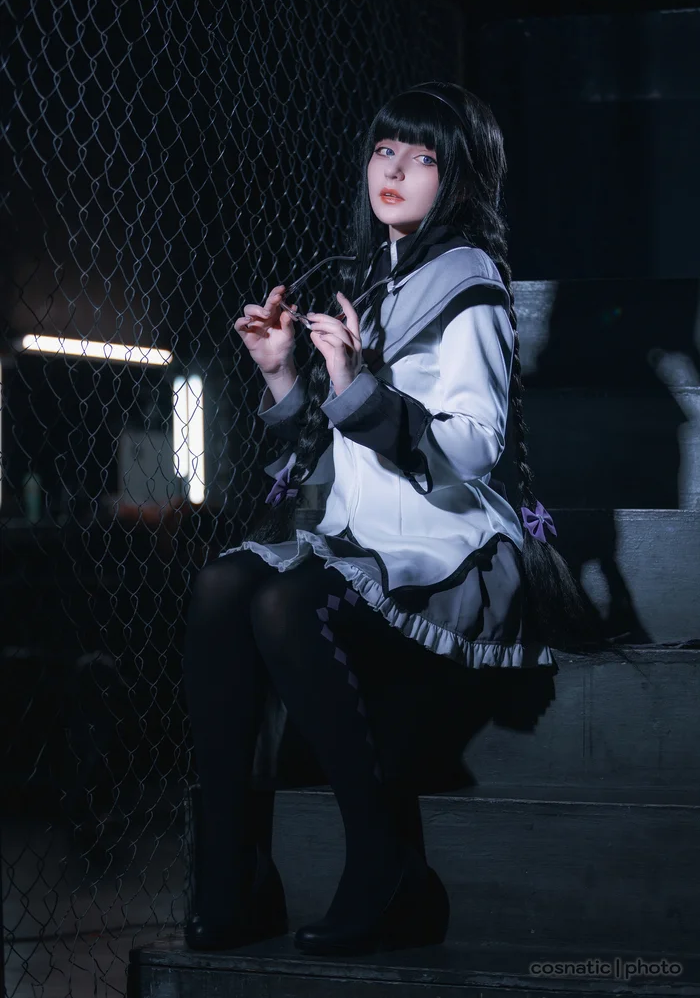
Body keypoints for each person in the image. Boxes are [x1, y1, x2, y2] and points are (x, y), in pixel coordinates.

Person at [181, 81, 616, 959]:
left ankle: (388, 870)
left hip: (438, 536)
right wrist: (281, 371)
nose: (397, 170)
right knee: (221, 585)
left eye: (424, 157)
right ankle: (233, 875)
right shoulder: (373, 274)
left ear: (458, 178)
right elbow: (331, 438)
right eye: (386, 150)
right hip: (361, 525)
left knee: (284, 604)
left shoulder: (469, 281)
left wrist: (357, 385)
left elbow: (476, 444)